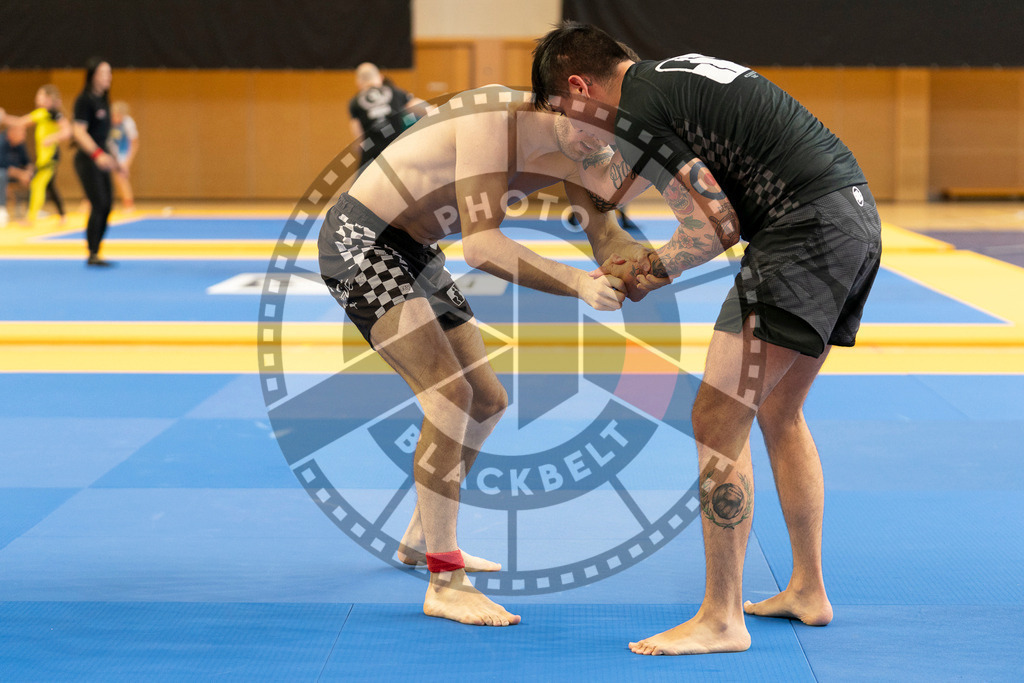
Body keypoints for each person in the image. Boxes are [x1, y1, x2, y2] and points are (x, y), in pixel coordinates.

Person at [532, 22, 882, 655]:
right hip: (852, 219)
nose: (573, 126)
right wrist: (579, 175)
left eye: (563, 110)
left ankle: (722, 618)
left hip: (804, 234)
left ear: (580, 86)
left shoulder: (639, 109)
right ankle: (808, 589)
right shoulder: (664, 84)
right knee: (779, 409)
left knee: (716, 420)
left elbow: (714, 224)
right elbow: (622, 184)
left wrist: (647, 273)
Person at [319, 84, 663, 627]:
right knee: (449, 397)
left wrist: (646, 264)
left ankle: (419, 537)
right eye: (589, 129)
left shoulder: (585, 144)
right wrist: (577, 283)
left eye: (607, 130)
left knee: (486, 399)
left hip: (413, 249)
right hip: (362, 239)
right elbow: (481, 248)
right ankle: (444, 580)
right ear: (557, 102)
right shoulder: (492, 118)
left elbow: (606, 234)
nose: (598, 144)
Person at [71, 58, 118, 266]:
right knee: (98, 203)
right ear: (92, 76)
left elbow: (105, 136)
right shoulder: (85, 100)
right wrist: (97, 154)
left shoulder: (104, 101)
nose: (109, 77)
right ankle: (92, 253)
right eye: (104, 73)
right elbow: (78, 132)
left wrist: (117, 160)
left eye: (110, 73)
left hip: (103, 157)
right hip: (87, 159)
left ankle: (97, 250)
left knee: (108, 204)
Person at [3, 85, 71, 225]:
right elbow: (20, 122)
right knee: (50, 186)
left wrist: (52, 138)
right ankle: (63, 216)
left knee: (37, 184)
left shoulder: (53, 113)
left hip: (50, 157)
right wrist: (4, 118)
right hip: (42, 157)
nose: (36, 98)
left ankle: (31, 218)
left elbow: (67, 131)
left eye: (40, 95)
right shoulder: (41, 114)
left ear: (49, 98)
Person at [348, 62, 426, 171]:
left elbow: (359, 136)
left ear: (358, 82)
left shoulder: (355, 102)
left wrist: (359, 145)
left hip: (373, 153)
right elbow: (418, 106)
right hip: (397, 148)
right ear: (380, 77)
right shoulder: (394, 92)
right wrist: (436, 111)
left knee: (359, 186)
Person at [108, 100, 139, 211]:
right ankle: (89, 203)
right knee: (98, 177)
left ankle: (129, 204)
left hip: (122, 153)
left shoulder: (128, 123)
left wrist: (127, 162)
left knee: (121, 178)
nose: (115, 117)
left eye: (118, 115)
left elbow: (135, 144)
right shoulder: (108, 121)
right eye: (114, 114)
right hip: (109, 151)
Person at [1, 123, 33, 223]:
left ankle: (31, 209)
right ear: (11, 132)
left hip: (16, 174)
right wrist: (21, 174)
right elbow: (3, 165)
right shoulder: (1, 143)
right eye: (22, 133)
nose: (24, 135)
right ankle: (2, 209)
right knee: (1, 175)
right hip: (4, 173)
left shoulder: (20, 144)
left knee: (38, 176)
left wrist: (28, 172)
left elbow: (28, 162)